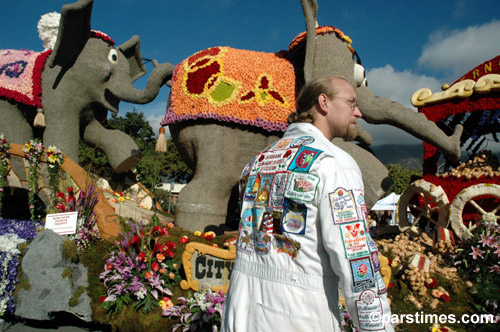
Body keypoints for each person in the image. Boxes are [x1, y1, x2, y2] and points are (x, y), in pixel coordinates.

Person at [221, 75, 394, 332]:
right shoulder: (333, 163)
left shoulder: (257, 161)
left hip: (239, 309)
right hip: (298, 314)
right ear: (323, 102)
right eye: (351, 102)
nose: (358, 111)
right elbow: (355, 257)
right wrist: (376, 326)